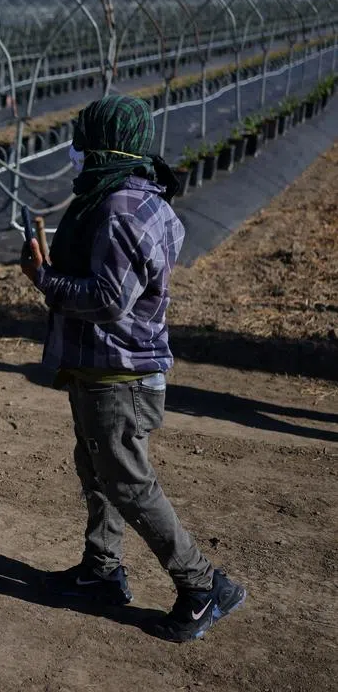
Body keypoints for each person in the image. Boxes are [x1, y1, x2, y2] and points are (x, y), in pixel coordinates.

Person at [20, 94, 246, 643]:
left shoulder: (120, 208)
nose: (74, 152)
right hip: (102, 366)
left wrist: (44, 278)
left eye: (83, 141)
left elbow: (106, 300)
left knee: (128, 481)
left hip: (119, 372)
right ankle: (101, 570)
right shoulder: (140, 198)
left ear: (104, 146)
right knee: (98, 472)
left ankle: (202, 585)